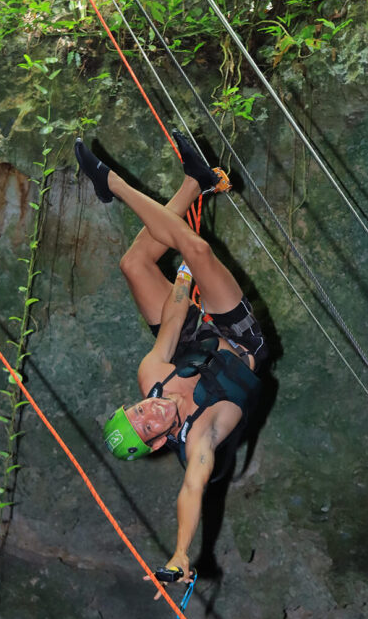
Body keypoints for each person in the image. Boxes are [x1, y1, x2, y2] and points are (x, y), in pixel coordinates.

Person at [75, 131, 268, 595]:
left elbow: (174, 320)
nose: (148, 411)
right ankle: (112, 185)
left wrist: (184, 278)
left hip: (193, 336)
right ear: (159, 442)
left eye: (137, 409)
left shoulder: (152, 379)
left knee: (136, 264)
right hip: (240, 343)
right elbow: (192, 490)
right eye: (147, 423)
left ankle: (193, 182)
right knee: (198, 248)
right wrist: (181, 553)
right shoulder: (200, 436)